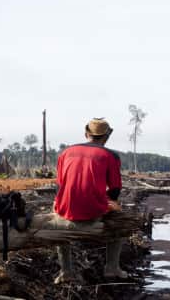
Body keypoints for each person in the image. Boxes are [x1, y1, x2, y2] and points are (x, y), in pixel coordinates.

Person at [53, 118, 127, 284]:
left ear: (86, 133)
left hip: (65, 210)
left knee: (57, 219)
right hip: (93, 212)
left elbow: (59, 186)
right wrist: (109, 203)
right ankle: (112, 267)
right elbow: (115, 190)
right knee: (120, 221)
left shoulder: (65, 152)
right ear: (107, 136)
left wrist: (60, 204)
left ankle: (66, 270)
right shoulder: (110, 155)